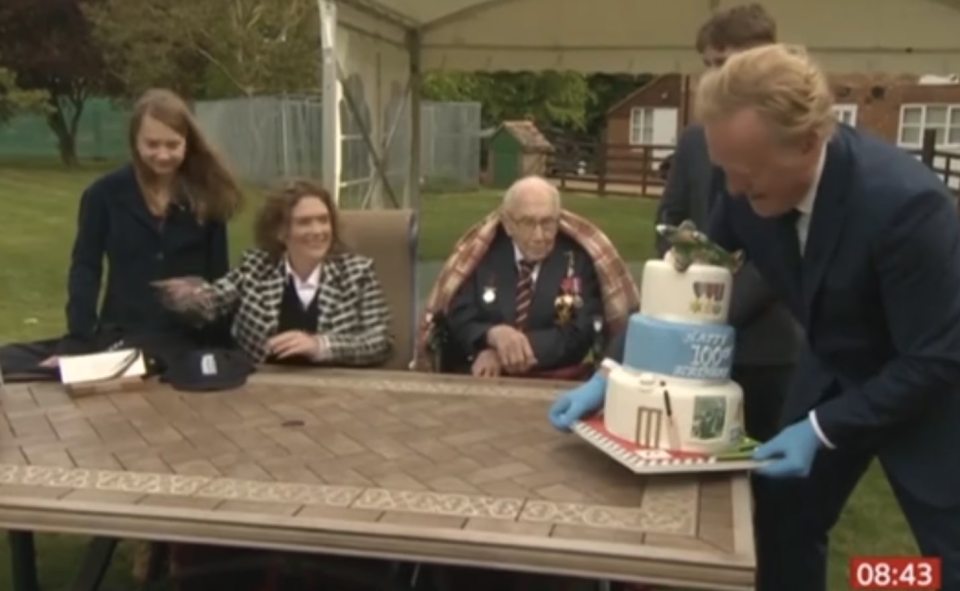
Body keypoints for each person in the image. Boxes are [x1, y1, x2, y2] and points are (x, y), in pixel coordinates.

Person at [557, 43, 960, 591]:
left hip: (931, 390)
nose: (735, 191)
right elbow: (681, 285)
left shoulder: (907, 207)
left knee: (945, 562)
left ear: (807, 142)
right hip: (833, 367)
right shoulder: (742, 186)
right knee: (782, 519)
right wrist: (613, 372)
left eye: (747, 173)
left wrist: (820, 430)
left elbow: (937, 357)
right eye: (725, 171)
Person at [0, 88, 242, 378]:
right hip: (121, 328)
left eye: (172, 144)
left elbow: (220, 277)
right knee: (19, 361)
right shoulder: (103, 195)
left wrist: (217, 342)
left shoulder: (207, 199)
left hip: (184, 337)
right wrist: (78, 337)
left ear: (187, 144)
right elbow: (86, 268)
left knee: (91, 368)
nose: (162, 155)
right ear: (134, 142)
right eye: (152, 144)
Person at [652, 2, 801, 442]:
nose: (713, 76)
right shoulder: (696, 139)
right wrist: (679, 259)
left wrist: (713, 306)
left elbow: (785, 246)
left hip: (768, 346)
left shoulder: (791, 139)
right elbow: (669, 215)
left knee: (766, 473)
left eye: (725, 63)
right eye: (708, 65)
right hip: (694, 338)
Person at [415, 175, 639, 380]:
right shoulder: (482, 254)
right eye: (529, 223)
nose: (540, 235)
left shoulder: (577, 259)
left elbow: (580, 331)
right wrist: (493, 335)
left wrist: (507, 352)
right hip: (481, 377)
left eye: (548, 222)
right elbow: (457, 313)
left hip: (554, 379)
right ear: (509, 224)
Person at [156, 178, 393, 368]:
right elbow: (213, 300)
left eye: (323, 220)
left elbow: (381, 342)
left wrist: (319, 345)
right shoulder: (256, 267)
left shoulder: (357, 273)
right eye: (304, 222)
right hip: (263, 391)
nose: (318, 230)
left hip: (337, 393)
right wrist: (186, 296)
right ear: (281, 232)